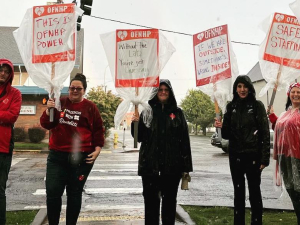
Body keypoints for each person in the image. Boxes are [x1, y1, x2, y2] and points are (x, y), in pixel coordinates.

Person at [40, 73, 104, 225]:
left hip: (81, 158)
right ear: (68, 89)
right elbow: (47, 124)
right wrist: (48, 110)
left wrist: (97, 149)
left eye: (78, 89)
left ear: (84, 90)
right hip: (57, 156)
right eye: (72, 88)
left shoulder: (91, 107)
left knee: (74, 194)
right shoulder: (59, 102)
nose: (74, 91)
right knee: (53, 193)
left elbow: (98, 131)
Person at [131, 79, 193, 225]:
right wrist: (136, 123)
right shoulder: (147, 111)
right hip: (150, 167)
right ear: (155, 92)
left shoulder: (178, 113)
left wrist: (186, 168)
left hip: (172, 168)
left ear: (170, 92)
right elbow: (140, 137)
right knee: (151, 205)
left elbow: (184, 140)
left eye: (166, 90)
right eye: (160, 90)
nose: (163, 92)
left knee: (169, 205)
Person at [214, 75, 270, 225]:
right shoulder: (231, 107)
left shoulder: (257, 106)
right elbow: (226, 135)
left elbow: (264, 133)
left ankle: (256, 222)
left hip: (253, 156)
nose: (242, 90)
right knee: (238, 193)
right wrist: (220, 125)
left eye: (245, 86)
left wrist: (264, 158)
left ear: (250, 88)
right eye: (239, 86)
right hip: (235, 157)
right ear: (235, 89)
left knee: (254, 194)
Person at [271, 82, 300, 224]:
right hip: (285, 157)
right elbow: (281, 128)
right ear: (289, 94)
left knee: (299, 189)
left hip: (298, 157)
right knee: (290, 188)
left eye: (298, 92)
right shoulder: (286, 113)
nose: (296, 94)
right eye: (293, 92)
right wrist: (272, 117)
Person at [0, 59, 22, 225]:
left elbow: (12, 116)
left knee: (0, 190)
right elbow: (5, 115)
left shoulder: (15, 94)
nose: (3, 74)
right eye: (1, 70)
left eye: (7, 71)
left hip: (3, 148)